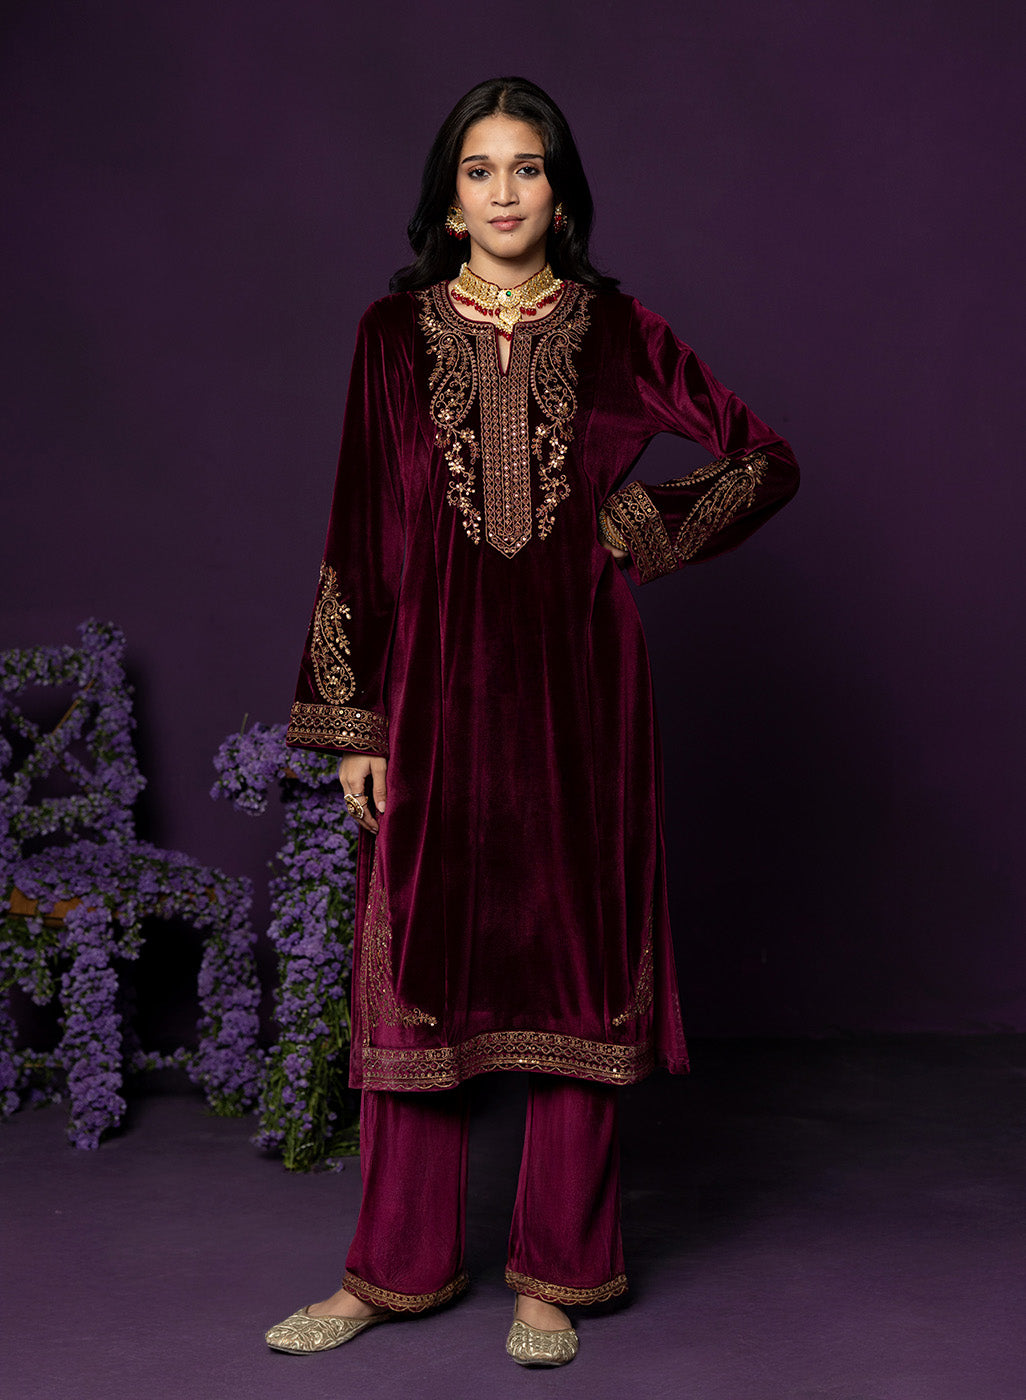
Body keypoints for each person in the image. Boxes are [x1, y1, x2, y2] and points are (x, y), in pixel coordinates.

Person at [265, 75, 798, 1367]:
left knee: (573, 969)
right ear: (449, 205)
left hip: (580, 694)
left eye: (527, 168)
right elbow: (359, 528)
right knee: (419, 978)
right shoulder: (390, 337)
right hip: (432, 695)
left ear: (560, 196)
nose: (503, 192)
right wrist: (356, 726)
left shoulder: (616, 331)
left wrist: (641, 524)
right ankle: (390, 1272)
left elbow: (763, 458)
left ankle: (556, 1276)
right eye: (478, 171)